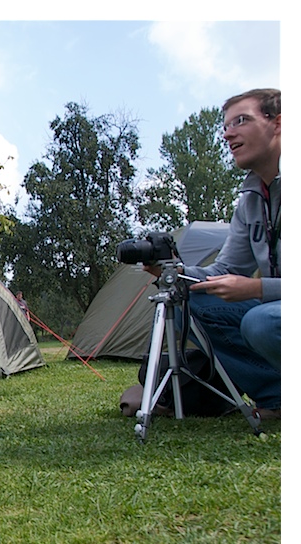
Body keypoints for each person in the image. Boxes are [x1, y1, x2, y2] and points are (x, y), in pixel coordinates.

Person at [147, 88, 280, 419]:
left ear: (278, 124)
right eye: (226, 125)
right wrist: (174, 272)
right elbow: (228, 267)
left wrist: (256, 288)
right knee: (189, 300)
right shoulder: (251, 195)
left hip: (273, 309)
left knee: (261, 321)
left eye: (241, 121)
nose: (228, 132)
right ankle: (277, 398)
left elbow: (253, 287)